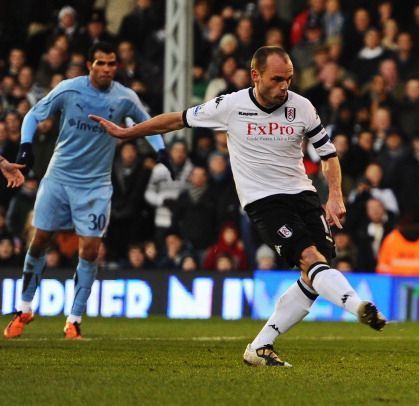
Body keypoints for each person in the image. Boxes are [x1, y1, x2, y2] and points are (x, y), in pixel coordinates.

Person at [90, 46, 386, 366]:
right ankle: (358, 306)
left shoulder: (302, 107)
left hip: (303, 195)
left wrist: (335, 195)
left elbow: (328, 155)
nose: (284, 86)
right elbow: (176, 120)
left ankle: (260, 347)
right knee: (311, 258)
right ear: (255, 76)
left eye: (288, 79)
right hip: (264, 201)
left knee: (318, 269)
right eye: (276, 80)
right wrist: (128, 132)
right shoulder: (230, 105)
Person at [3, 42, 172, 340]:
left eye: (111, 64)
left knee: (91, 250)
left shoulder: (124, 97)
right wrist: (26, 149)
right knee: (40, 239)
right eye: (100, 64)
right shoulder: (70, 90)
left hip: (95, 186)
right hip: (58, 178)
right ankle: (25, 308)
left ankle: (74, 320)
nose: (107, 69)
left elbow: (147, 125)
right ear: (89, 66)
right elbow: (31, 116)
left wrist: (162, 153)